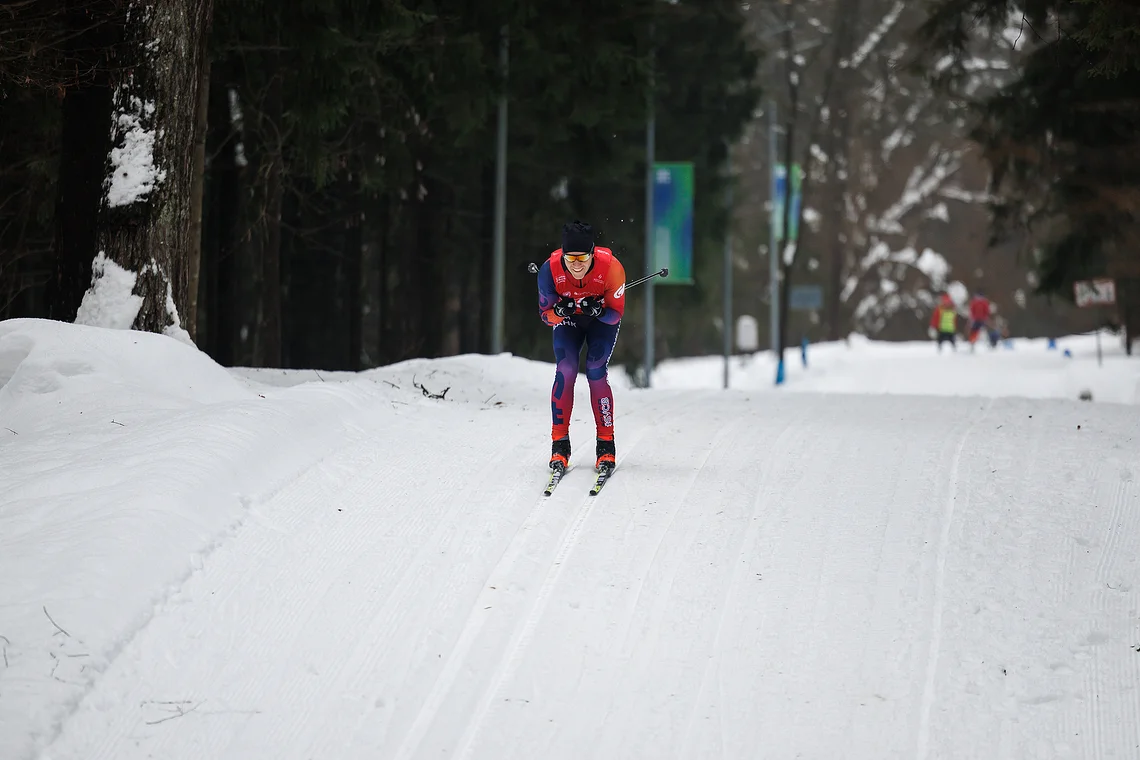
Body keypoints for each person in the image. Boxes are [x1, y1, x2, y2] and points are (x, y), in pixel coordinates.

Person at [537, 221, 626, 473]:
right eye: (570, 258)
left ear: (593, 253)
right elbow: (545, 316)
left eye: (583, 258)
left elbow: (615, 315)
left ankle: (606, 445)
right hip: (570, 321)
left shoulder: (612, 268)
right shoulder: (550, 270)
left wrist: (598, 310)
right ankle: (559, 445)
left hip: (600, 322)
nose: (576, 265)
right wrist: (558, 311)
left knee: (595, 370)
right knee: (566, 370)